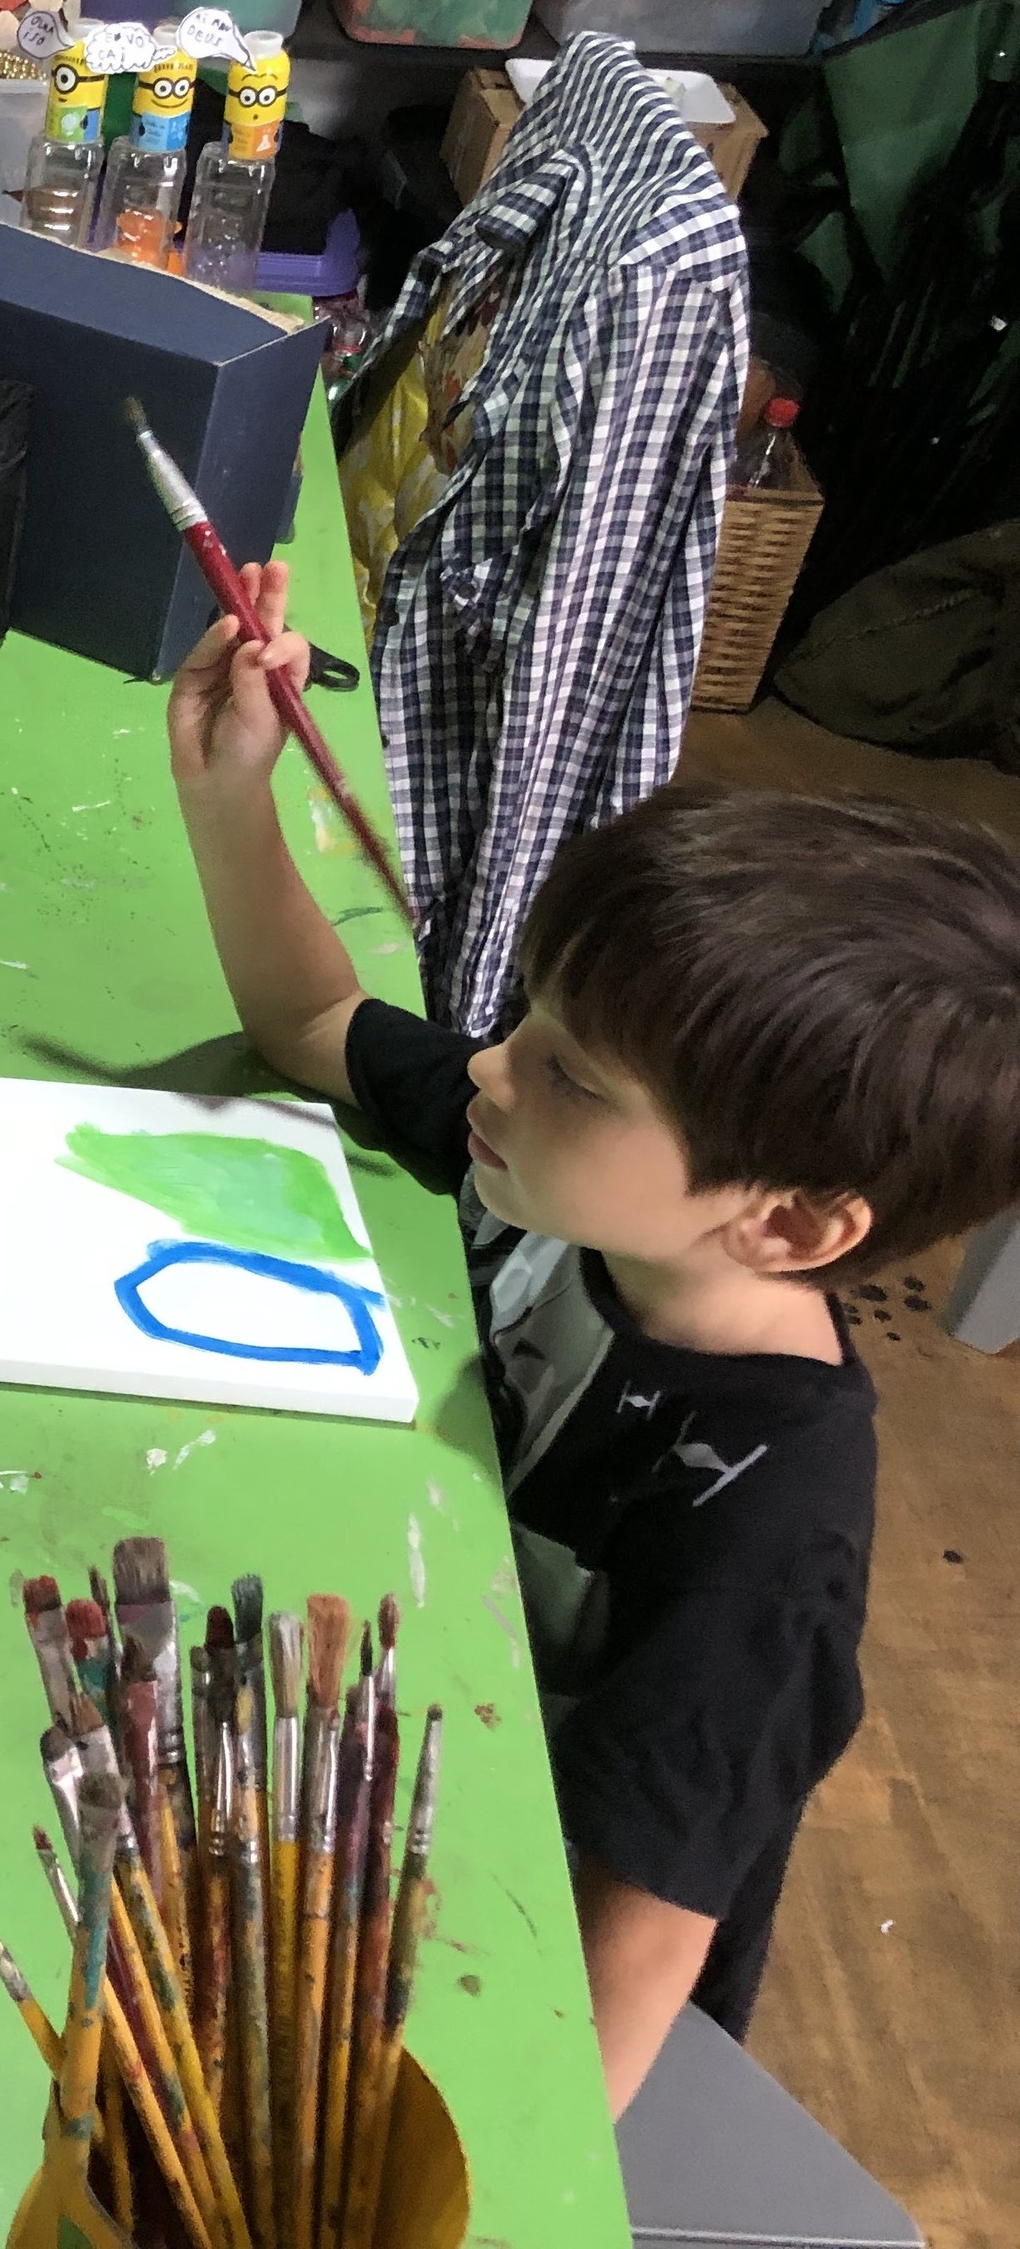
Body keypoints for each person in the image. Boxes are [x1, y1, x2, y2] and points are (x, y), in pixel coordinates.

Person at [170, 560, 1020, 2116]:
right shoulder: (554, 1176)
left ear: (783, 1225)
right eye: (527, 1025)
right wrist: (233, 796)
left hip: (481, 1953)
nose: (489, 1069)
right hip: (366, 1725)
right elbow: (311, 1030)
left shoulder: (764, 1539)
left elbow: (617, 2000)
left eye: (569, 1075)